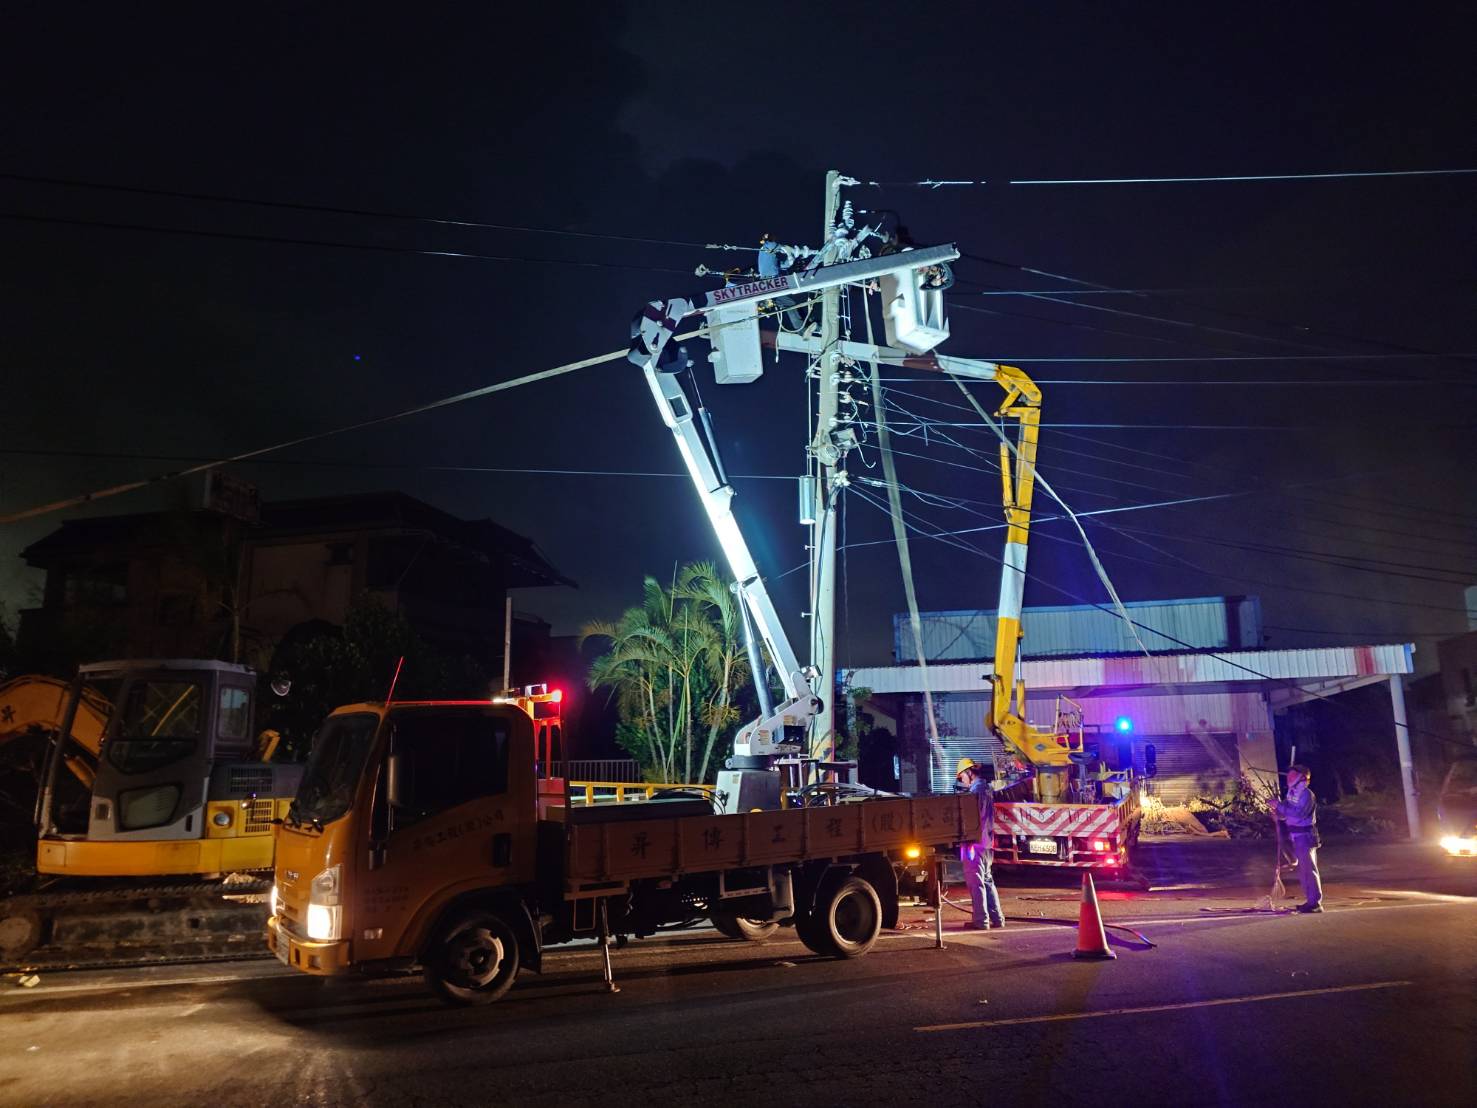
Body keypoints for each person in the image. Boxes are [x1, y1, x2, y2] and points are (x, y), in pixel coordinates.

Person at [955, 758, 1005, 930]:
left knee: (976, 882)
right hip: (986, 843)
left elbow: (972, 820)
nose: (962, 781)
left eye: (962, 777)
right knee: (987, 880)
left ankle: (981, 921)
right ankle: (997, 918)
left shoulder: (975, 793)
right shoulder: (987, 789)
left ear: (969, 772)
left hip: (975, 844)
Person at [1274, 763, 1323, 913]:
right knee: (1304, 871)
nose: (1289, 778)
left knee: (1309, 870)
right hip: (1296, 835)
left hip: (1305, 835)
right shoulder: (1292, 794)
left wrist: (1280, 806)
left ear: (1301, 777)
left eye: (1292, 775)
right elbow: (1286, 813)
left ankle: (1315, 903)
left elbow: (1299, 814)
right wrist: (1277, 809)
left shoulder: (1306, 794)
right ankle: (1310, 901)